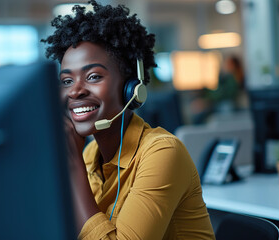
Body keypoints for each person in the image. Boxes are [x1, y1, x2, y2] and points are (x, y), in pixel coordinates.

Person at [42, 1, 215, 239]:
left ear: (131, 87)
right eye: (67, 81)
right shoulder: (90, 156)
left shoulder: (162, 152)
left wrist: (72, 167)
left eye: (93, 76)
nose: (74, 92)